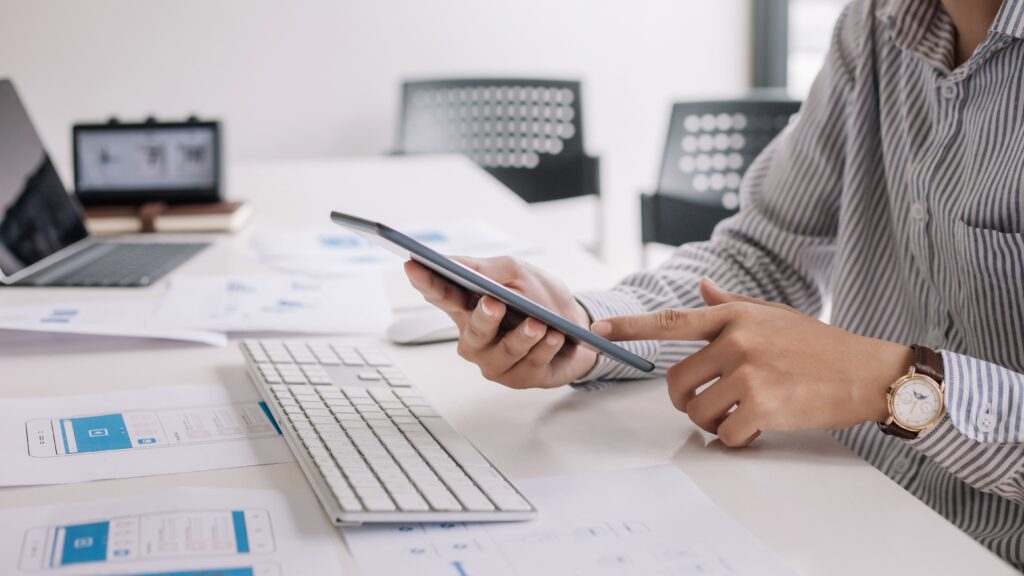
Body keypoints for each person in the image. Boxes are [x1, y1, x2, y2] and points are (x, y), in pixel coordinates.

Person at [406, 0, 1024, 569]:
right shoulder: (875, 24)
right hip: (846, 503)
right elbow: (764, 256)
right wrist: (583, 326)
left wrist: (896, 383)